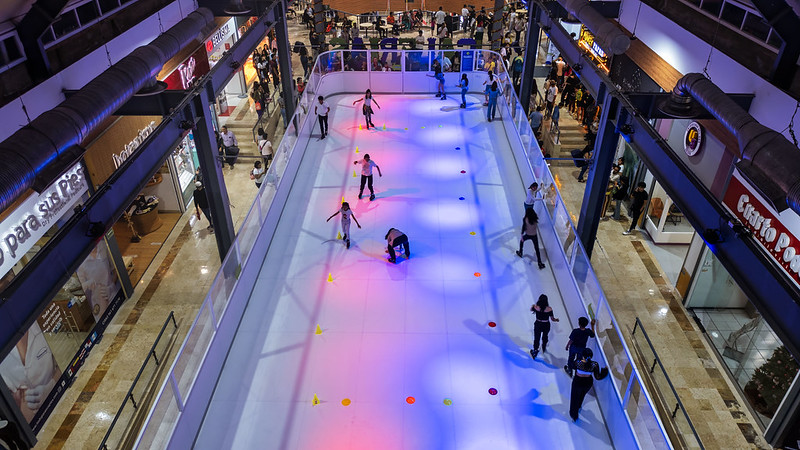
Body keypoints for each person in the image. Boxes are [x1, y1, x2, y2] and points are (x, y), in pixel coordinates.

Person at [569, 348, 608, 422]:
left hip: (577, 382)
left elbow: (572, 366)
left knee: (574, 397)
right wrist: (605, 371)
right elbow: (598, 377)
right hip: (587, 383)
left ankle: (574, 415)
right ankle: (579, 405)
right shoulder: (594, 364)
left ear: (583, 355)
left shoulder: (578, 362)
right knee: (582, 395)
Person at [530, 294, 559, 359]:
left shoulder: (536, 307)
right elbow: (552, 319)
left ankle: (535, 350)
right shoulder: (549, 309)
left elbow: (531, 310)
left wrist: (533, 306)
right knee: (545, 336)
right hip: (546, 324)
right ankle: (544, 345)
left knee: (537, 337)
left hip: (538, 324)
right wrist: (556, 320)